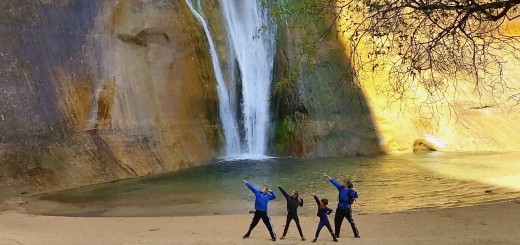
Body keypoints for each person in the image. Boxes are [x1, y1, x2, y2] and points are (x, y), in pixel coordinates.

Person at [323, 173, 360, 238]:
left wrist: (355, 191)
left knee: (351, 221)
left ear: (347, 184)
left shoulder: (350, 190)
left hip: (347, 208)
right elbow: (335, 183)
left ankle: (356, 234)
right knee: (337, 221)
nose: (342, 183)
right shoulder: (340, 188)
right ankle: (337, 235)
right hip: (340, 208)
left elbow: (355, 196)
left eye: (344, 182)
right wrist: (328, 177)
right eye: (343, 182)